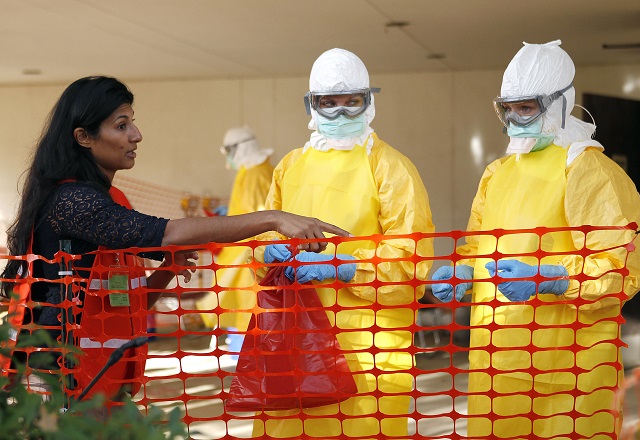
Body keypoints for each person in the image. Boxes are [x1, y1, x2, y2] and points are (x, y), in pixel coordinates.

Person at [0, 76, 349, 407]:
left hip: (101, 379)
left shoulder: (109, 199)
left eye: (132, 122)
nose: (136, 135)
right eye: (121, 125)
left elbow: (128, 308)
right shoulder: (73, 202)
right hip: (58, 380)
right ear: (84, 137)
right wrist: (274, 218)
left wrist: (167, 270)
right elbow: (170, 233)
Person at [430, 40, 640, 438]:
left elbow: (623, 267)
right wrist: (460, 275)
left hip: (571, 374)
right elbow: (477, 248)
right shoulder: (497, 173)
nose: (514, 119)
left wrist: (554, 278)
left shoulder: (588, 170)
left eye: (526, 108)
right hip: (495, 367)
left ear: (560, 104)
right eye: (507, 109)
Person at [249, 48, 435, 438]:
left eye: (351, 103)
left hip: (370, 349)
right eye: (328, 103)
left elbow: (412, 261)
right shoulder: (290, 166)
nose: (339, 113)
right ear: (311, 105)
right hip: (294, 340)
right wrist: (267, 253)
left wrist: (343, 266)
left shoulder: (390, 167)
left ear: (369, 103)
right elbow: (263, 237)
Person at [197, 126, 275, 357]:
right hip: (242, 252)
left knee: (245, 303)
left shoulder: (255, 175)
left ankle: (245, 353)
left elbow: (259, 219)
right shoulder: (253, 171)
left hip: (248, 254)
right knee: (239, 302)